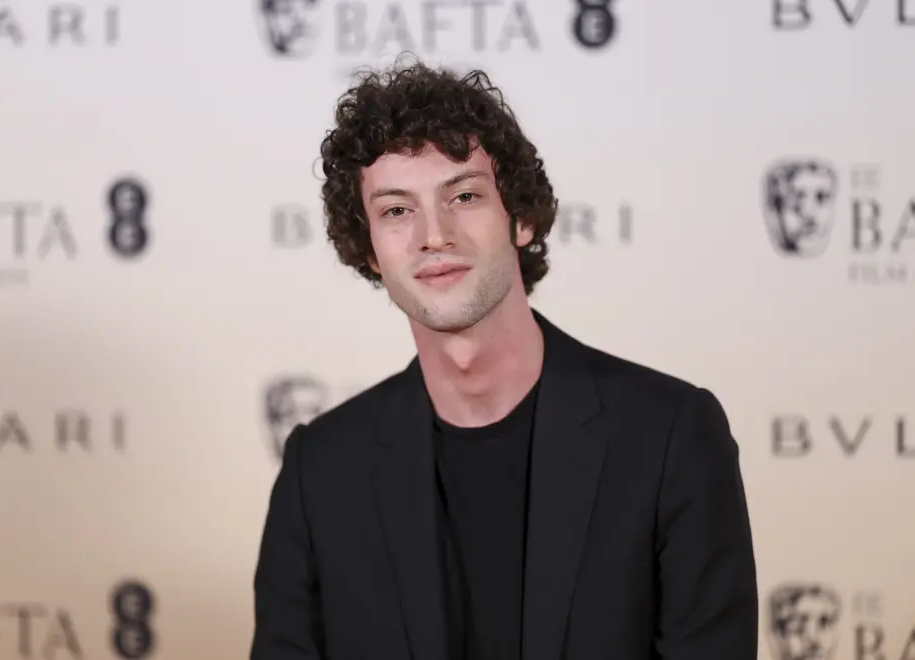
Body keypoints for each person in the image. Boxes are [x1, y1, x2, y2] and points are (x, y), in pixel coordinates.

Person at [250, 59, 758, 660]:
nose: (432, 234)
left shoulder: (670, 437)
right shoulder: (321, 471)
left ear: (520, 217)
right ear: (368, 250)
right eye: (395, 210)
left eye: (463, 196)